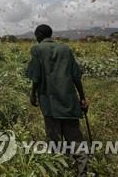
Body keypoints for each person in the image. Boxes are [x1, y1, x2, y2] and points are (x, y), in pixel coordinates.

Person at [26, 24, 89, 176]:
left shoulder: (37, 49)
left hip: (49, 102)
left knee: (54, 140)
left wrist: (33, 94)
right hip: (68, 101)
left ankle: (59, 170)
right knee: (75, 138)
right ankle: (83, 172)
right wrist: (82, 97)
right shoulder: (66, 49)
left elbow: (36, 76)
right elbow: (76, 76)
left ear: (38, 35)